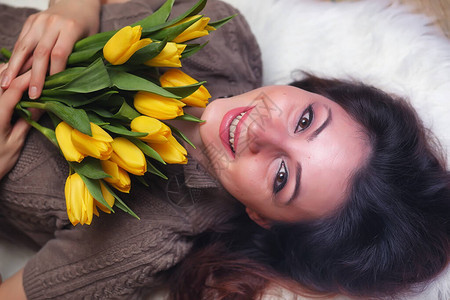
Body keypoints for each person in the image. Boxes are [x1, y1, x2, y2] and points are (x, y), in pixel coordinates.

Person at [0, 0, 449, 299]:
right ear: (322, 93)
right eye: (306, 120)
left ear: (264, 218)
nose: (263, 132)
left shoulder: (134, 244)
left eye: (281, 177)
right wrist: (70, 9)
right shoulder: (217, 34)